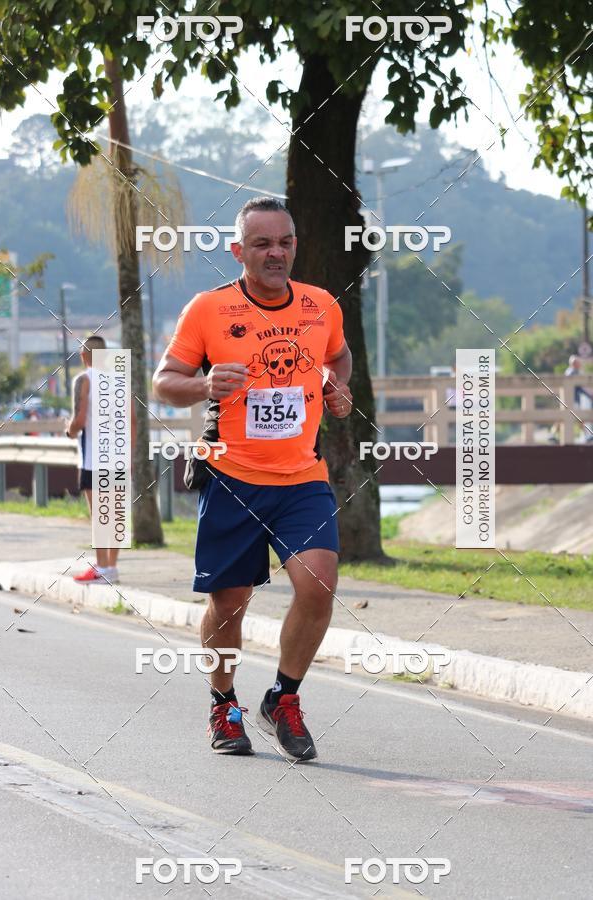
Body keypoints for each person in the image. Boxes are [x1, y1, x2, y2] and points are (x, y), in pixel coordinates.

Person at [153, 197, 353, 760]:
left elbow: (339, 357)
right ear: (238, 251)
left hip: (301, 478)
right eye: (262, 244)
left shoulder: (320, 306)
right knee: (229, 604)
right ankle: (225, 705)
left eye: (285, 242)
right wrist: (204, 384)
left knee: (318, 585)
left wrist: (338, 389)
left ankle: (283, 698)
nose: (275, 253)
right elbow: (165, 381)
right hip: (232, 478)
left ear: (295, 246)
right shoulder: (208, 310)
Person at [67, 335, 121, 584]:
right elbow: (131, 419)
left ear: (84, 355)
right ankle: (112, 568)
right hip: (117, 456)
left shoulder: (83, 379)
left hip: (93, 458)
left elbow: (79, 421)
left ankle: (101, 567)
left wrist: (69, 430)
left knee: (100, 514)